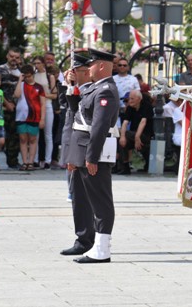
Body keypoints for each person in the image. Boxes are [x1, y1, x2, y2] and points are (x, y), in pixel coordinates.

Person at [66, 48, 120, 264]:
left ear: (100, 65)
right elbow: (77, 114)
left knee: (100, 202)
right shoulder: (95, 89)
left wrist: (92, 157)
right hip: (83, 150)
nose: (87, 69)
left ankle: (102, 247)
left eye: (90, 64)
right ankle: (94, 244)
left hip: (93, 151)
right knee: (85, 199)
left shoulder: (106, 90)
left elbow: (99, 126)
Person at [60, 52, 96, 256]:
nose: (74, 75)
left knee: (87, 196)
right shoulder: (73, 88)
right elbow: (65, 109)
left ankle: (88, 238)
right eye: (73, 71)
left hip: (84, 147)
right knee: (77, 194)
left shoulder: (93, 89)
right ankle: (84, 236)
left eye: (79, 71)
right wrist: (68, 86)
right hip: (72, 143)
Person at [13, 64, 46, 172]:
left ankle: (31, 162)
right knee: (23, 139)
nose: (27, 78)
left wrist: (42, 119)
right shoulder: (21, 85)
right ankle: (24, 162)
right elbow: (17, 95)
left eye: (29, 76)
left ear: (33, 74)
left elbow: (43, 104)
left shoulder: (39, 87)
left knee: (32, 139)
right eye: (25, 76)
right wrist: (19, 81)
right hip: (21, 117)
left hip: (34, 117)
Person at [0, 48, 22, 169]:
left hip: (17, 109)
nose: (14, 59)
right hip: (0, 108)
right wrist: (7, 103)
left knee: (14, 137)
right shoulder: (0, 70)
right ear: (7, 56)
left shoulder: (21, 72)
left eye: (16, 57)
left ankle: (13, 162)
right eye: (12, 56)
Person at [117, 89, 154, 174]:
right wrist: (122, 137)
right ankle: (125, 167)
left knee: (125, 134)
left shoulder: (146, 106)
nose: (129, 101)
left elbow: (143, 122)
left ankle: (124, 166)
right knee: (122, 140)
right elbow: (125, 123)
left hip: (145, 135)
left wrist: (137, 137)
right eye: (129, 99)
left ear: (139, 99)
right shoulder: (130, 108)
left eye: (132, 99)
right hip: (132, 135)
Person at [32, 55, 58, 169]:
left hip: (47, 105)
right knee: (35, 135)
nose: (36, 65)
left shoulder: (49, 76)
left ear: (43, 64)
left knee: (48, 135)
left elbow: (54, 94)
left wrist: (42, 95)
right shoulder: (33, 75)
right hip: (35, 106)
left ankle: (47, 160)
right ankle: (36, 159)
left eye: (38, 63)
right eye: (35, 63)